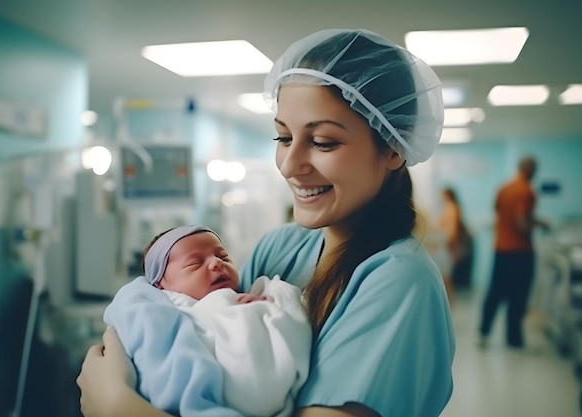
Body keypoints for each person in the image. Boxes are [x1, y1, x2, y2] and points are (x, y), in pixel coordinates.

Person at [77, 28, 455, 417]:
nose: (290, 166)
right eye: (283, 137)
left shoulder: (398, 280)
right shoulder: (281, 248)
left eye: (323, 141)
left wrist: (120, 407)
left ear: (393, 148)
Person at [104, 225, 311, 417]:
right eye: (195, 263)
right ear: (161, 285)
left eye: (223, 256)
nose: (217, 262)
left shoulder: (252, 293)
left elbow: (288, 313)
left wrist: (264, 306)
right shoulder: (169, 308)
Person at [479, 156, 549, 349]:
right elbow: (521, 223)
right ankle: (513, 339)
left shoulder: (504, 188)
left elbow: (498, 213)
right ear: (530, 170)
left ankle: (483, 333)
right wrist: (540, 224)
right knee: (518, 296)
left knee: (495, 292)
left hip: (501, 249)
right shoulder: (526, 191)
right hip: (520, 252)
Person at [436, 187, 473, 303]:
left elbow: (454, 232)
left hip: (449, 245)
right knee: (446, 278)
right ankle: (449, 303)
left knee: (447, 278)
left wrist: (454, 249)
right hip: (446, 244)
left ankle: (450, 303)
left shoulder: (452, 208)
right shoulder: (450, 208)